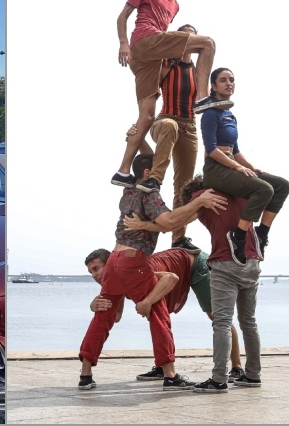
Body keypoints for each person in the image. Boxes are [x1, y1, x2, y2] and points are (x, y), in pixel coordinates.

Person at [77, 153, 227, 391]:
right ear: (148, 173)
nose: (163, 175)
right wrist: (198, 203)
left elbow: (151, 159)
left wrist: (197, 210)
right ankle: (169, 375)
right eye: (160, 170)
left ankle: (85, 375)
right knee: (158, 310)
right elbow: (168, 222)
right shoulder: (150, 193)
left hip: (114, 257)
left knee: (103, 315)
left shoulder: (128, 190)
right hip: (132, 258)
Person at [111, 0, 227, 190]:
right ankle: (203, 98)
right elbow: (122, 17)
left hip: (149, 60)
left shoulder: (174, 4)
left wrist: (167, 60)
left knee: (146, 117)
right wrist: (124, 43)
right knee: (208, 43)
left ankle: (122, 171)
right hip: (145, 40)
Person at [85, 248, 246, 383]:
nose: (93, 275)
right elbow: (117, 316)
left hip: (194, 264)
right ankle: (163, 366)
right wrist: (94, 306)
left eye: (96, 268)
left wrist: (147, 301)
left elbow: (170, 278)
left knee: (217, 317)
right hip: (174, 269)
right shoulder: (113, 280)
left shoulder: (132, 270)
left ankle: (237, 368)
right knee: (156, 313)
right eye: (91, 271)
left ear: (112, 264)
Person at [166, 175, 264, 393]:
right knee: (249, 321)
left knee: (221, 322)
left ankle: (218, 379)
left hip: (225, 263)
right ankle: (253, 375)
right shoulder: (239, 194)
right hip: (252, 262)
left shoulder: (202, 196)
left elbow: (174, 221)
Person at [128, 23, 207, 254]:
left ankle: (178, 239)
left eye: (192, 38)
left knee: (184, 185)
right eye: (183, 37)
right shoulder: (164, 65)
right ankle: (155, 179)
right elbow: (142, 77)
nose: (188, 41)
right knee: (170, 125)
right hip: (164, 121)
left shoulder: (198, 71)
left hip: (190, 127)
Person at [200, 68, 289, 264]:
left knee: (282, 185)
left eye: (232, 80)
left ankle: (261, 234)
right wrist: (237, 168)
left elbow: (236, 151)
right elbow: (212, 150)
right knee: (264, 189)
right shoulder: (210, 114)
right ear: (214, 86)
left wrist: (252, 167)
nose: (229, 83)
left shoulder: (231, 115)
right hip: (215, 168)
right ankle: (238, 237)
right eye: (223, 80)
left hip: (231, 162)